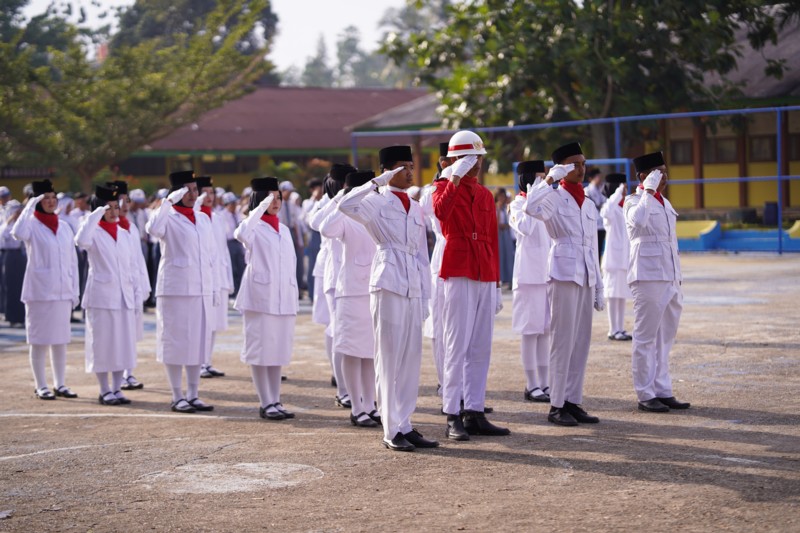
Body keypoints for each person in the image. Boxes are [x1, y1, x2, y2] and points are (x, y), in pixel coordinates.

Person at [339, 145, 437, 452]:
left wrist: (425, 296)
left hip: (413, 285)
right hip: (388, 282)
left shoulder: (415, 206)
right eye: (402, 167)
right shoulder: (375, 201)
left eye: (411, 166)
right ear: (388, 170)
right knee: (389, 357)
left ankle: (405, 423)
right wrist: (376, 182)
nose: (409, 172)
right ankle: (390, 428)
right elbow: (345, 205)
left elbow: (422, 255)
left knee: (410, 359)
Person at [433, 131, 509, 441]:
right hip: (459, 268)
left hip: (484, 270)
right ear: (454, 160)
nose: (476, 164)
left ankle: (474, 411)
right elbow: (440, 213)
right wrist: (453, 177)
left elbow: (492, 239)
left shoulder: (485, 195)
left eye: (478, 158)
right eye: (470, 158)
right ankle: (452, 412)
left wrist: (497, 283)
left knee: (480, 346)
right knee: (456, 345)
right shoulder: (442, 188)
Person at [525, 142, 604, 426]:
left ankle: (572, 400)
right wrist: (549, 179)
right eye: (574, 164)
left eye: (583, 164)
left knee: (581, 341)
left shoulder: (589, 203)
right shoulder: (553, 197)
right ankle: (556, 404)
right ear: (562, 167)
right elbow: (530, 207)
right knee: (562, 340)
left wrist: (599, 285)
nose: (581, 169)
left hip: (586, 273)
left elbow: (593, 245)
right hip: (563, 272)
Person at [146, 170, 217, 414]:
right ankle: (177, 396)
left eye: (195, 190)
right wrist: (168, 202)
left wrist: (213, 287)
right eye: (186, 190)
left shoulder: (203, 218)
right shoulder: (167, 216)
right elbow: (153, 228)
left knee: (197, 341)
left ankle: (193, 394)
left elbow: (209, 256)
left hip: (200, 288)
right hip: (175, 290)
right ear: (176, 192)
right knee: (175, 342)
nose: (192, 195)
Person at [624, 152, 690, 413]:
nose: (664, 176)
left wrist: (678, 276)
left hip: (670, 275)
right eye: (658, 172)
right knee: (645, 337)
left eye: (665, 171)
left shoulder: (665, 202)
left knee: (665, 339)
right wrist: (648, 192)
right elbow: (638, 222)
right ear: (644, 176)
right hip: (648, 276)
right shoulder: (633, 201)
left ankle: (662, 389)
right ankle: (645, 393)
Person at [234, 178, 298, 420]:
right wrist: (259, 208)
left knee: (277, 350)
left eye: (278, 197)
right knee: (260, 351)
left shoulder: (284, 230)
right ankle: (265, 402)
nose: (276, 202)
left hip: (283, 297)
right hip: (260, 298)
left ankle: (276, 399)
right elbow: (241, 233)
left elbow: (290, 264)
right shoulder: (252, 227)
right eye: (270, 198)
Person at [320, 170, 380, 428]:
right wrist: (344, 199)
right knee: (352, 351)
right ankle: (356, 406)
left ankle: (371, 404)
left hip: (374, 288)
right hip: (351, 291)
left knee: (370, 352)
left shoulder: (374, 213)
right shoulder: (344, 216)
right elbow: (325, 228)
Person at [12, 179, 80, 400]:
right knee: (39, 340)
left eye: (53, 198)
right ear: (37, 201)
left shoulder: (64, 227)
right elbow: (17, 233)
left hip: (62, 290)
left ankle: (60, 384)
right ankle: (41, 385)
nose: (50, 202)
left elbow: (72, 262)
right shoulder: (31, 224)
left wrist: (75, 290)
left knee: (60, 340)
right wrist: (30, 206)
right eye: (45, 198)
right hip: (40, 291)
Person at [75, 185, 139, 406]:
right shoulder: (93, 231)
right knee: (102, 344)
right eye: (108, 208)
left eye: (115, 207)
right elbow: (80, 241)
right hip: (101, 297)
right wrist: (95, 215)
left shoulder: (123, 233)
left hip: (124, 296)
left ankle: (117, 388)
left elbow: (131, 265)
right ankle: (104, 390)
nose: (113, 212)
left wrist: (136, 291)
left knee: (122, 343)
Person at [309, 165, 355, 406]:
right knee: (337, 330)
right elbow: (315, 222)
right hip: (334, 274)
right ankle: (342, 388)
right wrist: (339, 198)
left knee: (351, 332)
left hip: (355, 275)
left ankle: (352, 385)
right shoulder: (326, 203)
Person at [509, 160, 551, 403]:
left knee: (545, 331)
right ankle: (531, 384)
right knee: (529, 331)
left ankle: (545, 382)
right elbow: (525, 227)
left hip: (547, 274)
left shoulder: (546, 203)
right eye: (538, 178)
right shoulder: (517, 204)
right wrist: (533, 198)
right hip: (527, 276)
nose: (542, 182)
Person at [107, 180, 151, 391]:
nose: (124, 205)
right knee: (117, 334)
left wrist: (144, 284)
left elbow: (139, 259)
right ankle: (117, 375)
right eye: (119, 201)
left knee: (131, 332)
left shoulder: (131, 227)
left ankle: (128, 373)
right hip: (116, 288)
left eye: (126, 200)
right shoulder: (110, 227)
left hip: (133, 286)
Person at [419, 142, 453, 393]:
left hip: (467, 257)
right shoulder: (432, 192)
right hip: (443, 257)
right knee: (442, 323)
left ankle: (464, 388)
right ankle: (446, 383)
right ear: (445, 163)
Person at [195, 176, 234, 379]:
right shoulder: (193, 217)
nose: (208, 197)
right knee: (201, 322)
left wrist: (227, 279)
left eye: (211, 193)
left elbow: (223, 250)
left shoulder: (217, 218)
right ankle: (199, 363)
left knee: (214, 322)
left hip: (218, 276)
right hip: (201, 278)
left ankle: (207, 361)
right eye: (204, 193)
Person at [600, 173, 633, 342]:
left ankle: (620, 328)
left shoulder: (624, 207)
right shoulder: (610, 207)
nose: (625, 191)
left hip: (623, 259)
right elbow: (605, 212)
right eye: (622, 187)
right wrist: (617, 193)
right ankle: (613, 329)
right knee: (612, 296)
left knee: (621, 296)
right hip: (613, 260)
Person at [277, 180, 306, 296]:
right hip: (282, 234)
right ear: (282, 191)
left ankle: (297, 289)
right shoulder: (277, 204)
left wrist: (299, 240)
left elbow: (296, 223)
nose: (289, 194)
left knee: (297, 261)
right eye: (287, 191)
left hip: (292, 233)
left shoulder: (291, 204)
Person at [1, 199, 26, 327]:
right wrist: (10, 220)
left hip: (21, 255)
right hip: (9, 255)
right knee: (10, 286)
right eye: (16, 211)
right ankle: (11, 317)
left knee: (21, 286)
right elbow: (3, 236)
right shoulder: (5, 224)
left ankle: (21, 317)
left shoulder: (21, 225)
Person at [303, 177, 324, 302]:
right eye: (317, 188)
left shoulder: (325, 200)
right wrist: (315, 199)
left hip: (323, 235)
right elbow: (306, 219)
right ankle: (311, 294)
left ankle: (320, 295)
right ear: (312, 189)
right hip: (313, 236)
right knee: (312, 266)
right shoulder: (307, 202)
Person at [221, 192, 245, 296]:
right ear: (227, 204)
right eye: (232, 203)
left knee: (241, 266)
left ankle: (240, 291)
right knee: (233, 267)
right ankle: (234, 291)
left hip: (238, 242)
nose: (234, 205)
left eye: (235, 203)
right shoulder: (222, 215)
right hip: (229, 242)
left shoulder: (237, 214)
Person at [584, 168, 607, 254]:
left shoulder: (601, 190)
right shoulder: (587, 191)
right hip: (592, 224)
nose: (600, 179)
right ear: (591, 178)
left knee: (600, 249)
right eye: (597, 177)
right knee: (592, 250)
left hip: (601, 224)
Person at [496, 187, 514, 289]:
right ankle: (501, 279)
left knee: (509, 256)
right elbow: (497, 222)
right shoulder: (497, 208)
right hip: (499, 234)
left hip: (506, 234)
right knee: (500, 256)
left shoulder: (506, 207)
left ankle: (509, 279)